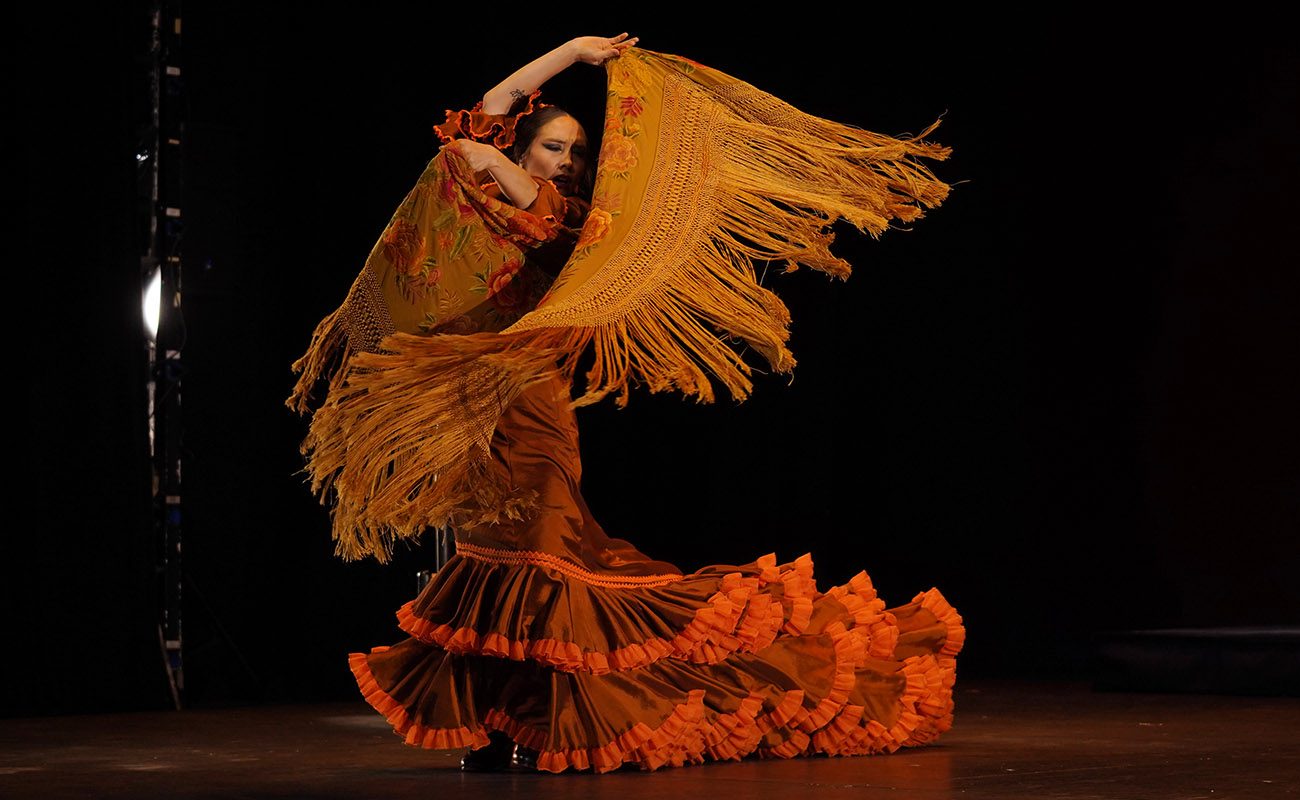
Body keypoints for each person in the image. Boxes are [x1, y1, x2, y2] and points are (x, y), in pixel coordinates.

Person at [290, 33, 963, 774]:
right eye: (552, 146)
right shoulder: (481, 179)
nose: (567, 161)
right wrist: (573, 52)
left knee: (547, 551)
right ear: (527, 142)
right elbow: (491, 111)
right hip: (472, 402)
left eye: (576, 152)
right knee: (491, 555)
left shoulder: (578, 222)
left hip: (533, 404)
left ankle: (567, 713)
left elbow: (514, 185)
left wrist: (495, 164)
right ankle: (501, 717)